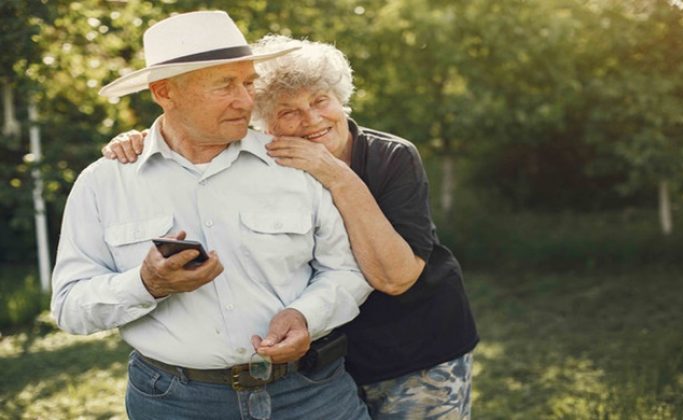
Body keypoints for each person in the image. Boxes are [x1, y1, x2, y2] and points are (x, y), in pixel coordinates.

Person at [105, 36, 479, 419]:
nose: (312, 120)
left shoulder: (391, 157)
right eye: (289, 112)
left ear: (340, 98)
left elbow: (397, 278)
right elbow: (190, 141)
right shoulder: (267, 162)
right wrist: (144, 140)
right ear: (263, 125)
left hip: (416, 353)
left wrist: (336, 175)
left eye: (320, 101)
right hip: (323, 365)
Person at [51, 12, 374, 420]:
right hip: (174, 403)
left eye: (247, 82)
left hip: (310, 395)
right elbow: (69, 307)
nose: (246, 100)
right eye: (225, 85)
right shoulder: (104, 183)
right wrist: (146, 284)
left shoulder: (294, 164)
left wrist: (305, 315)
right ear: (165, 92)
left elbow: (347, 271)